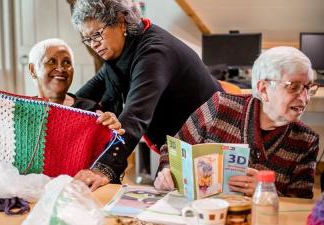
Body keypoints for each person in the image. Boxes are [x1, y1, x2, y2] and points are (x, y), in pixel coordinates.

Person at [70, 0, 222, 190]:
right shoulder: (118, 57)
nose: (93, 44)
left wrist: (101, 170)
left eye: (97, 34)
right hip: (181, 141)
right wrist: (56, 108)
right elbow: (85, 95)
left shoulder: (153, 52)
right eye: (87, 39)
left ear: (121, 21)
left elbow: (134, 116)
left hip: (210, 139)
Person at [154, 46, 320, 199]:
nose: (305, 98)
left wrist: (266, 192)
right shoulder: (220, 106)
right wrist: (167, 171)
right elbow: (171, 150)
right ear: (263, 89)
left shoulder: (306, 141)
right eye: (294, 87)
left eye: (308, 88)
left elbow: (300, 205)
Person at [0, 38, 124, 143]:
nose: (61, 68)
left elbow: (109, 156)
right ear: (33, 70)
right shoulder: (17, 111)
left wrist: (113, 130)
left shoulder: (90, 110)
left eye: (67, 63)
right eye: (52, 61)